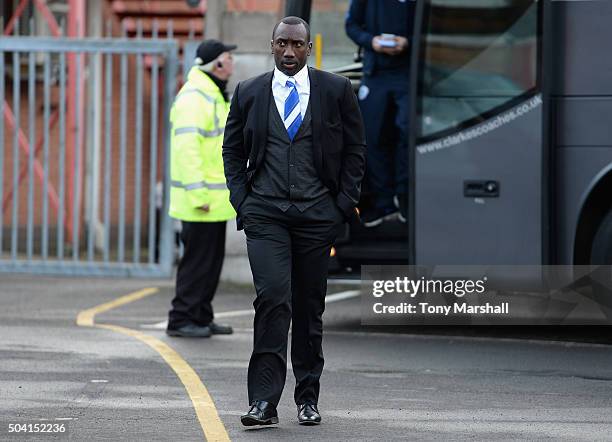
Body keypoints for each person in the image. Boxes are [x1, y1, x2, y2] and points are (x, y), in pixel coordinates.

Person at [223, 16, 366, 427]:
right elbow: (232, 150)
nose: (289, 52)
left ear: (309, 48)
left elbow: (357, 148)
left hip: (317, 215)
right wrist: (243, 202)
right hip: (265, 214)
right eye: (282, 43)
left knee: (308, 307)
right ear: (272, 46)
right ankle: (263, 403)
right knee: (272, 300)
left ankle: (307, 397)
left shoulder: (336, 90)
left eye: (297, 45)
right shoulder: (249, 92)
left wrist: (342, 204)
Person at [166, 40, 238, 338]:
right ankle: (181, 318)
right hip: (201, 201)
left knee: (209, 264)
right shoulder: (196, 98)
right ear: (217, 65)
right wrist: (199, 195)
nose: (232, 62)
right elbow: (187, 151)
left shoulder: (213, 96)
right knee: (197, 264)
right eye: (228, 58)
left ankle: (200, 315)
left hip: (212, 202)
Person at [346, 0, 415, 227]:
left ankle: (405, 197)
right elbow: (352, 25)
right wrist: (372, 42)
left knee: (408, 133)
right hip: (376, 75)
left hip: (409, 74)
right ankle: (384, 202)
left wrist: (408, 43)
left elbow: (433, 28)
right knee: (372, 137)